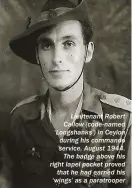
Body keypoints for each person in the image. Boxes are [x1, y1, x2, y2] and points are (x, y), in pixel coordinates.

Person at [0, 0, 131, 188]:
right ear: (37, 55)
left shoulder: (122, 120)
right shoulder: (21, 119)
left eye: (68, 43)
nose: (57, 58)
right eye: (46, 45)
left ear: (88, 52)